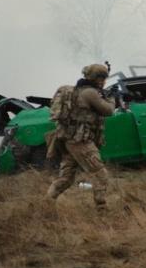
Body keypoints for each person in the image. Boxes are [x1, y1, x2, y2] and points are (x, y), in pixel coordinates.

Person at [46, 63, 116, 210]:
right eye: (101, 78)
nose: (103, 81)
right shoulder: (89, 93)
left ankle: (46, 203)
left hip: (69, 140)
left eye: (104, 78)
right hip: (80, 142)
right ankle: (102, 209)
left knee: (65, 179)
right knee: (100, 174)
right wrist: (112, 98)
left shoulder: (78, 90)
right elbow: (108, 111)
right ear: (94, 78)